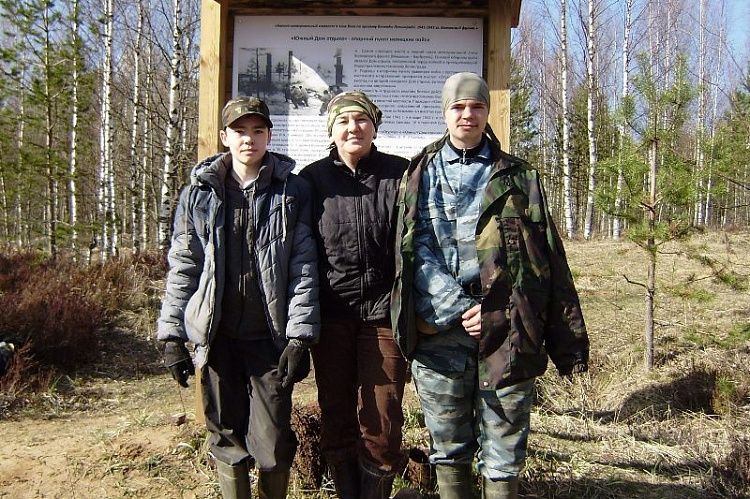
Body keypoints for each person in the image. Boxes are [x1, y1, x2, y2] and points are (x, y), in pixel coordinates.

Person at [391, 72, 589, 499]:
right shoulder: (419, 174)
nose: (468, 114)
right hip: (441, 336)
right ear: (445, 112)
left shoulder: (519, 177)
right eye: (458, 107)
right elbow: (412, 251)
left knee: (504, 452)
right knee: (448, 448)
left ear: (487, 111)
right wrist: (461, 306)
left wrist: (566, 342)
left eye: (476, 106)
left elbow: (547, 260)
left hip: (508, 337)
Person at [156, 95, 320, 499]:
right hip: (217, 337)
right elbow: (184, 265)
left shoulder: (292, 191)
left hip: (269, 340)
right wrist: (173, 335)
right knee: (226, 438)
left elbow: (302, 268)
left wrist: (300, 337)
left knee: (274, 441)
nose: (249, 139)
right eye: (240, 131)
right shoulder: (198, 194)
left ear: (269, 135)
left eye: (257, 130)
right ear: (224, 136)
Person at [300, 91, 409, 499]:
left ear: (375, 127)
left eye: (362, 120)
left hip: (384, 315)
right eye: (344, 121)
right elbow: (301, 251)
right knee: (336, 413)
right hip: (331, 316)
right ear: (332, 129)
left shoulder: (398, 174)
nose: (353, 128)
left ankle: (375, 491)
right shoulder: (311, 181)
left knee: (382, 417)